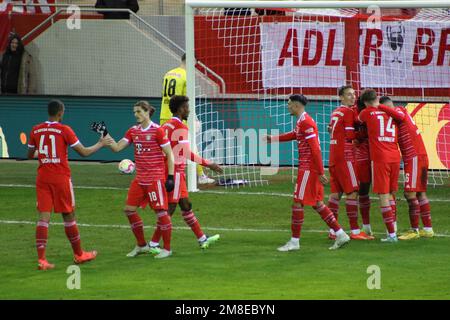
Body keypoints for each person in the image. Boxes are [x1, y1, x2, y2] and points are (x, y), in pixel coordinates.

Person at [27, 99, 108, 270]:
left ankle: (42, 260)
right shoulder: (64, 130)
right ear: (60, 113)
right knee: (68, 215)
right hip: (60, 178)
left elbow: (30, 154)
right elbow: (84, 152)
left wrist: (44, 154)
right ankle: (79, 254)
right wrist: (101, 143)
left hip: (42, 178)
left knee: (43, 218)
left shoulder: (36, 129)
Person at [265, 94, 350, 251]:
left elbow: (315, 149)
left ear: (297, 105)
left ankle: (294, 242)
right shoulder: (302, 121)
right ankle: (340, 234)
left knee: (298, 202)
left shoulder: (306, 122)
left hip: (309, 168)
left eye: (290, 104)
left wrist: (319, 171)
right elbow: (294, 135)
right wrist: (274, 139)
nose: (288, 106)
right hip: (309, 168)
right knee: (317, 203)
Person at [149, 95, 223, 252]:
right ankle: (154, 243)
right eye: (187, 107)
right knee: (170, 208)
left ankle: (202, 238)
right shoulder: (180, 127)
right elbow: (185, 152)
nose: (189, 110)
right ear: (181, 109)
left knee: (186, 205)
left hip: (171, 171)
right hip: (174, 171)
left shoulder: (166, 125)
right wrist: (209, 163)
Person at [104, 101, 176, 259]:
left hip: (154, 179)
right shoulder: (133, 131)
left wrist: (170, 177)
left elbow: (170, 154)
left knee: (161, 213)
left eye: (138, 111)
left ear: (147, 112)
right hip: (140, 179)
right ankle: (142, 245)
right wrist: (105, 134)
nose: (136, 115)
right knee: (129, 210)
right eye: (134, 112)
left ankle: (168, 248)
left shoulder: (158, 131)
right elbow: (117, 148)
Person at [378, 96, 434, 239]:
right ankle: (428, 229)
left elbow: (398, 115)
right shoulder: (400, 114)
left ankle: (414, 230)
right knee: (420, 192)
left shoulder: (398, 110)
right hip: (419, 155)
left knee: (410, 194)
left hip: (414, 156)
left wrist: (378, 106)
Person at [327, 85, 374, 241]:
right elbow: (349, 134)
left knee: (335, 193)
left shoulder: (336, 112)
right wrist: (365, 133)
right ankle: (355, 231)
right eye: (348, 95)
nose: (352, 97)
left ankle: (333, 231)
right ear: (341, 97)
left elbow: (333, 129)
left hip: (333, 155)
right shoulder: (347, 112)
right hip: (345, 155)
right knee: (353, 192)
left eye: (354, 94)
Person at [160, 53, 215, 185]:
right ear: (191, 61)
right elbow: (186, 100)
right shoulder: (186, 76)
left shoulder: (168, 73)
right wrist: (193, 119)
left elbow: (164, 95)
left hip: (164, 115)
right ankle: (201, 175)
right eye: (195, 64)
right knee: (191, 146)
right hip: (178, 117)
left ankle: (160, 174)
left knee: (164, 147)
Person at [358, 89, 400, 242]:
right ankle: (394, 228)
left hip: (380, 158)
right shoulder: (391, 113)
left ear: (366, 103)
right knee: (390, 193)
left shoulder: (366, 112)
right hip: (395, 156)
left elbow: (359, 122)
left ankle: (391, 235)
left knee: (383, 195)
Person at [354, 96, 373, 236]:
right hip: (381, 155)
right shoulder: (378, 112)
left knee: (361, 191)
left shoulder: (357, 114)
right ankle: (392, 231)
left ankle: (365, 226)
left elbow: (354, 135)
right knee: (387, 193)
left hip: (364, 156)